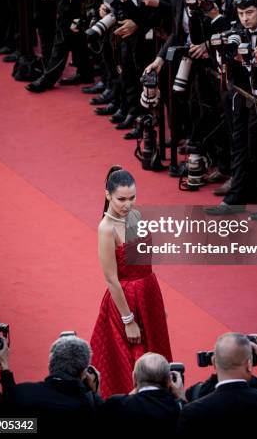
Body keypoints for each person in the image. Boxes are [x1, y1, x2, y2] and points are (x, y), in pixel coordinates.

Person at [90, 166, 172, 397]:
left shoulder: (137, 215)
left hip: (148, 293)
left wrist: (156, 307)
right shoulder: (106, 229)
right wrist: (128, 320)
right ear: (108, 196)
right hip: (125, 302)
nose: (127, 204)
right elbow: (111, 279)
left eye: (132, 197)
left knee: (156, 355)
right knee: (131, 363)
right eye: (121, 199)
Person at [104, 352, 185, 438]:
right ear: (169, 380)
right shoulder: (179, 408)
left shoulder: (115, 404)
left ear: (134, 378)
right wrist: (180, 396)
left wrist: (137, 385)